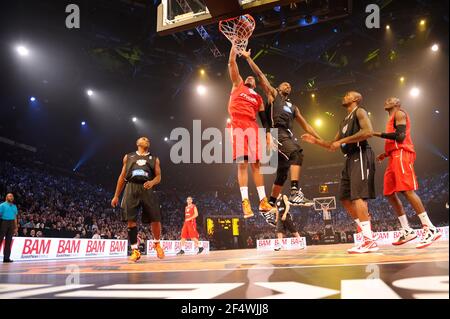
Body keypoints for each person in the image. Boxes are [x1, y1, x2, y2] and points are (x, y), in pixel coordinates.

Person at [302, 91, 378, 254]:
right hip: (349, 158)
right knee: (344, 198)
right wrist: (315, 141)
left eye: (348, 95)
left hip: (361, 153)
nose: (344, 96)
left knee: (358, 196)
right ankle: (367, 232)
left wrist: (342, 141)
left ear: (356, 99)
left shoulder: (360, 111)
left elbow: (368, 132)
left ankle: (368, 239)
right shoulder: (343, 121)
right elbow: (332, 145)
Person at [242, 49, 318, 207]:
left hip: (287, 136)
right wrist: (249, 59)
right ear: (278, 87)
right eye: (284, 84)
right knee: (297, 153)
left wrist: (322, 140)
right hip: (276, 133)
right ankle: (295, 193)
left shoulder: (293, 107)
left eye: (289, 85)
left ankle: (269, 205)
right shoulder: (273, 94)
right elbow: (261, 76)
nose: (287, 85)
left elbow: (306, 125)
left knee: (282, 173)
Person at [373, 97, 441, 248]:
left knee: (407, 190)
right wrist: (385, 154)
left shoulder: (399, 114)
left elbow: (401, 137)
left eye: (391, 99)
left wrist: (377, 134)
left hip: (402, 154)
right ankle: (407, 230)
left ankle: (430, 228)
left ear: (397, 103)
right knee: (389, 193)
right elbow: (395, 141)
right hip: (393, 156)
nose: (387, 100)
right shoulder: (391, 118)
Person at [226, 44, 273, 219]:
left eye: (252, 78)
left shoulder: (258, 98)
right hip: (238, 124)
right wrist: (234, 47)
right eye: (249, 77)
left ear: (255, 84)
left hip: (253, 127)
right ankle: (245, 202)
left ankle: (263, 201)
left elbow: (264, 118)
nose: (250, 78)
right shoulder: (237, 84)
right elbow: (231, 62)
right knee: (243, 164)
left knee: (257, 164)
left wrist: (268, 134)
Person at [111, 137, 164, 262]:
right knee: (131, 219)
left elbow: (159, 176)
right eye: (142, 138)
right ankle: (135, 250)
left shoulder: (154, 159)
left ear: (148, 144)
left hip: (147, 188)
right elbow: (122, 176)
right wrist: (116, 195)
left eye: (147, 139)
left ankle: (157, 243)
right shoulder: (128, 157)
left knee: (155, 218)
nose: (145, 139)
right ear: (137, 143)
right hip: (131, 187)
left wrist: (152, 182)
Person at [0, 193, 19, 263]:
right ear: (6, 197)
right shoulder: (2, 205)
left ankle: (6, 258)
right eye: (9, 196)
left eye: (11, 196)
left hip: (11, 224)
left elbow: (15, 217)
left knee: (8, 241)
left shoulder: (14, 206)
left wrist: (16, 227)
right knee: (0, 240)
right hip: (3, 222)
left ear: (13, 198)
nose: (10, 197)